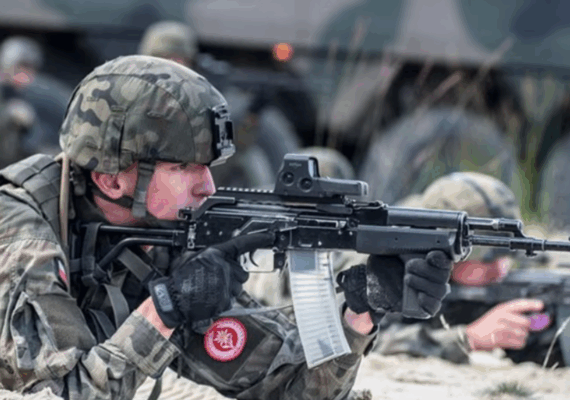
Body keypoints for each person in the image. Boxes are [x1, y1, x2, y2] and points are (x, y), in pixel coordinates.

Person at [0, 55, 453, 400]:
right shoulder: (22, 233)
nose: (208, 186)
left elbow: (288, 389)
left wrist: (360, 311)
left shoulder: (162, 236)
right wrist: (165, 311)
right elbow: (59, 394)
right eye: (184, 167)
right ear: (112, 178)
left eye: (209, 166)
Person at [372, 172, 552, 365]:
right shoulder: (386, 263)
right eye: (486, 259)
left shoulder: (498, 277)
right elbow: (373, 338)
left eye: (507, 255)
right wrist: (467, 338)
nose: (500, 269)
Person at [138, 21, 300, 189]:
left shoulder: (212, 100)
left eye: (180, 59)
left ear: (191, 63)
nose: (173, 66)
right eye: (163, 59)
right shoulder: (132, 98)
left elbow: (279, 149)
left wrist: (248, 119)